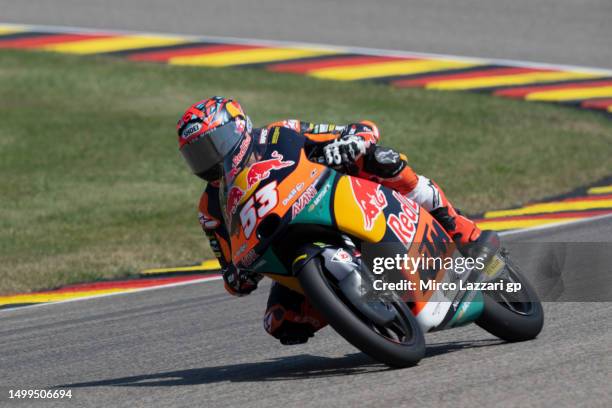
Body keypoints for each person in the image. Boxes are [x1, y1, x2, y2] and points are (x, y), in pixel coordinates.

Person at [177, 96, 482, 345]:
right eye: (197, 154)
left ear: (239, 127)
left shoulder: (280, 133)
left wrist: (350, 142)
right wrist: (238, 277)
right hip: (286, 246)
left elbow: (359, 130)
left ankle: (454, 224)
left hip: (336, 197)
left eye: (212, 145)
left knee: (382, 159)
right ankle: (361, 311)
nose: (208, 159)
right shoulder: (210, 208)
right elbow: (230, 271)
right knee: (281, 322)